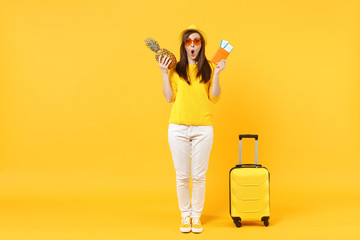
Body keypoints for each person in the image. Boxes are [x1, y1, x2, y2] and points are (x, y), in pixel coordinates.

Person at [158, 24, 226, 233]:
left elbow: (214, 97)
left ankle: (196, 217)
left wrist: (217, 74)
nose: (193, 45)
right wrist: (162, 72)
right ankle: (185, 216)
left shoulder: (209, 68)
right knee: (182, 176)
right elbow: (169, 97)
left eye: (196, 41)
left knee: (199, 176)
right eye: (189, 41)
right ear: (184, 46)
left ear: (201, 45)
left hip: (203, 129)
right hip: (178, 128)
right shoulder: (176, 69)